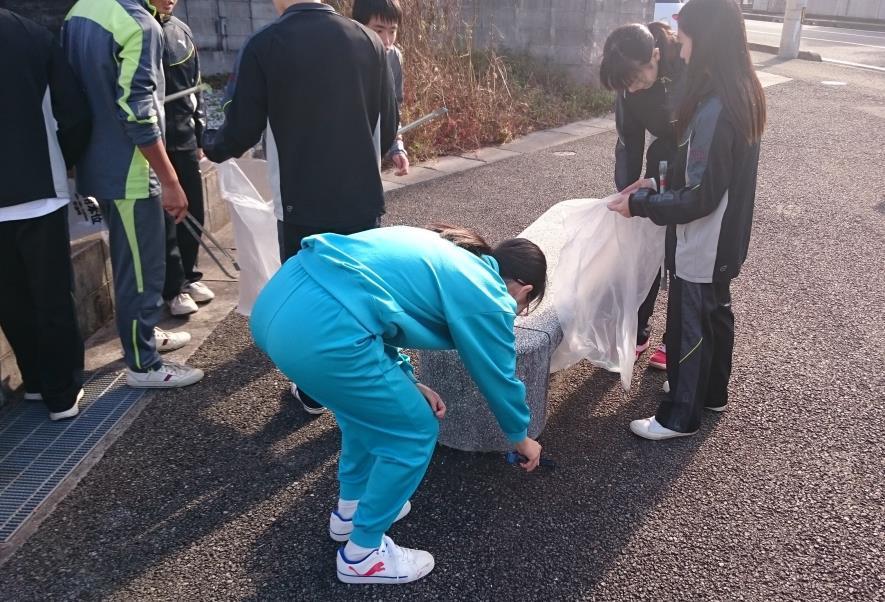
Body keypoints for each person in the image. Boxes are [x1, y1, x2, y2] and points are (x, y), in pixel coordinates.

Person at [250, 224, 546, 584]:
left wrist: (407, 381)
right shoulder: (490, 294)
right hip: (326, 330)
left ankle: (351, 511)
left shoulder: (450, 254)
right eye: (523, 306)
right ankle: (363, 556)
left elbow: (377, 307)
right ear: (524, 290)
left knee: (362, 416)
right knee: (415, 431)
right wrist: (521, 438)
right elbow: (498, 375)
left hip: (279, 305)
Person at [203, 0, 399, 414]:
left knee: (310, 300)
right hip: (362, 199)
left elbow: (239, 131)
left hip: (300, 203)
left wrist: (206, 147)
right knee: (359, 294)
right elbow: (387, 126)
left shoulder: (266, 44)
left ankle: (314, 392)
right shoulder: (369, 40)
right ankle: (367, 388)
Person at [607, 0, 765, 440]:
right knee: (715, 310)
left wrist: (642, 205)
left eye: (688, 35)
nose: (683, 45)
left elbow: (699, 194)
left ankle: (679, 415)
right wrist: (652, 187)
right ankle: (711, 393)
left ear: (707, 38)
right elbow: (703, 172)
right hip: (729, 230)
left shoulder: (714, 105)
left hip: (706, 233)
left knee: (691, 315)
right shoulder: (741, 89)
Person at [63, 0, 204, 388]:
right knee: (141, 272)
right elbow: (139, 110)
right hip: (130, 171)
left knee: (130, 266)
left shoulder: (82, 10)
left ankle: (144, 337)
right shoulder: (140, 25)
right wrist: (171, 180)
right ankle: (144, 365)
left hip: (97, 163)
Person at [0, 8, 91, 420]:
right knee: (52, 296)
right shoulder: (32, 35)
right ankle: (62, 393)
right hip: (41, 189)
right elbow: (73, 113)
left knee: (10, 297)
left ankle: (34, 381)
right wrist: (67, 160)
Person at [599, 21, 686, 372]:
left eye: (636, 80)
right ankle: (638, 331)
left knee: (680, 250)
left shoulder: (685, 60)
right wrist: (626, 193)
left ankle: (675, 338)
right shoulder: (627, 85)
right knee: (647, 246)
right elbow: (629, 141)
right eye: (625, 85)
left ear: (656, 55)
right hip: (661, 160)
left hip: (695, 161)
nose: (632, 90)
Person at [150, 0, 215, 317]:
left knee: (194, 210)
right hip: (154, 143)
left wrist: (200, 135)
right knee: (167, 220)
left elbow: (197, 88)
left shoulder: (182, 30)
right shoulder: (141, 30)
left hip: (185, 138)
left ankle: (190, 276)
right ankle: (172, 289)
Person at [352, 0, 410, 176]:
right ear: (358, 26)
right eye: (378, 30)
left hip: (373, 151)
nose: (386, 40)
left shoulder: (393, 57)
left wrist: (397, 148)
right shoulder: (343, 56)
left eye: (392, 31)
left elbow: (392, 109)